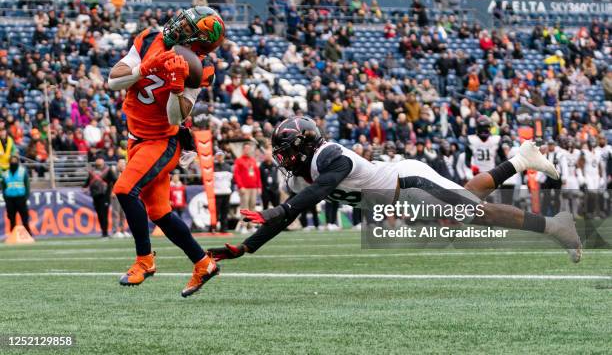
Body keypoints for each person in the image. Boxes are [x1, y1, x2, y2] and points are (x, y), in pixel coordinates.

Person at [208, 116, 581, 264]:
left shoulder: (330, 157)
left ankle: (556, 226)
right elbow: (299, 203)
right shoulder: (303, 172)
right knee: (467, 204)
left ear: (305, 147)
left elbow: (317, 193)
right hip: (401, 198)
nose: (283, 159)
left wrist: (282, 210)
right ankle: (521, 160)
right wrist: (246, 247)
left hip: (410, 182)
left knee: (476, 213)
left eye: (287, 151)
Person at [107, 6, 225, 297]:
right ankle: (203, 263)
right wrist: (145, 68)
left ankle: (144, 260)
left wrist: (176, 87)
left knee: (124, 190)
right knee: (160, 211)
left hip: (162, 141)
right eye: (183, 21)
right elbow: (113, 80)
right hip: (136, 138)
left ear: (198, 43)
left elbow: (175, 117)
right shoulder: (149, 39)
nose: (178, 27)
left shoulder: (201, 68)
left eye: (187, 28)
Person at [233, 142, 261, 234]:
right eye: (245, 148)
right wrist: (240, 186)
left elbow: (257, 174)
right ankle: (243, 226)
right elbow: (236, 175)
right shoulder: (239, 160)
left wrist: (259, 186)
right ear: (243, 150)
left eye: (249, 148)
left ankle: (251, 226)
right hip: (244, 187)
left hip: (253, 187)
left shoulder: (252, 160)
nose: (247, 150)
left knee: (252, 206)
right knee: (245, 207)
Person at [84, 157, 115, 238]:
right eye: (97, 159)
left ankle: (105, 232)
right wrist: (84, 186)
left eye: (100, 159)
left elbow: (115, 180)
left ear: (103, 161)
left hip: (105, 195)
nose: (98, 161)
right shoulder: (93, 171)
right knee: (99, 214)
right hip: (95, 195)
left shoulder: (108, 170)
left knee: (104, 213)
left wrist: (113, 191)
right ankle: (103, 231)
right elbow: (88, 180)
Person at [1, 156, 31, 235]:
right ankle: (12, 235)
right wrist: (5, 197)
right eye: (12, 161)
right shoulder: (5, 174)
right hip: (10, 199)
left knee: (24, 218)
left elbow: (27, 185)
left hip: (21, 198)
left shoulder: (22, 172)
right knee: (11, 218)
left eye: (15, 161)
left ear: (18, 162)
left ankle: (28, 234)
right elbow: (3, 187)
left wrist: (26, 197)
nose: (13, 162)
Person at [213, 151, 233, 232]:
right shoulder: (212, 167)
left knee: (225, 211)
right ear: (216, 157)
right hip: (217, 192)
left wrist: (231, 190)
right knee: (216, 211)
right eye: (218, 156)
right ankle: (213, 227)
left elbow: (231, 179)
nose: (220, 157)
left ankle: (224, 228)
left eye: (221, 156)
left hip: (226, 192)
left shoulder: (228, 166)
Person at [110, 158, 129, 238]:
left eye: (123, 163)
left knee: (123, 213)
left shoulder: (127, 172)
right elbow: (111, 183)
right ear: (117, 164)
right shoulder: (113, 171)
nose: (122, 165)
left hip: (124, 194)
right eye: (120, 163)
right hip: (115, 194)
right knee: (116, 213)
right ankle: (115, 231)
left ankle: (123, 230)